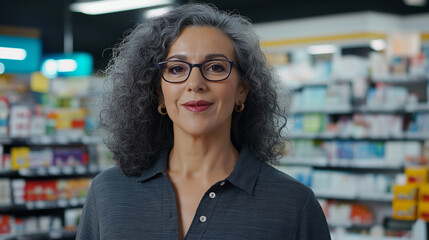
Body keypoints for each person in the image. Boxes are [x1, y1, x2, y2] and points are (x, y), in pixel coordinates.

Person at [76, 3, 331, 240]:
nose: (195, 84)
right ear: (158, 93)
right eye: (176, 69)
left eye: (216, 67)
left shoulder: (293, 203)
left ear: (242, 90)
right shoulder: (108, 192)